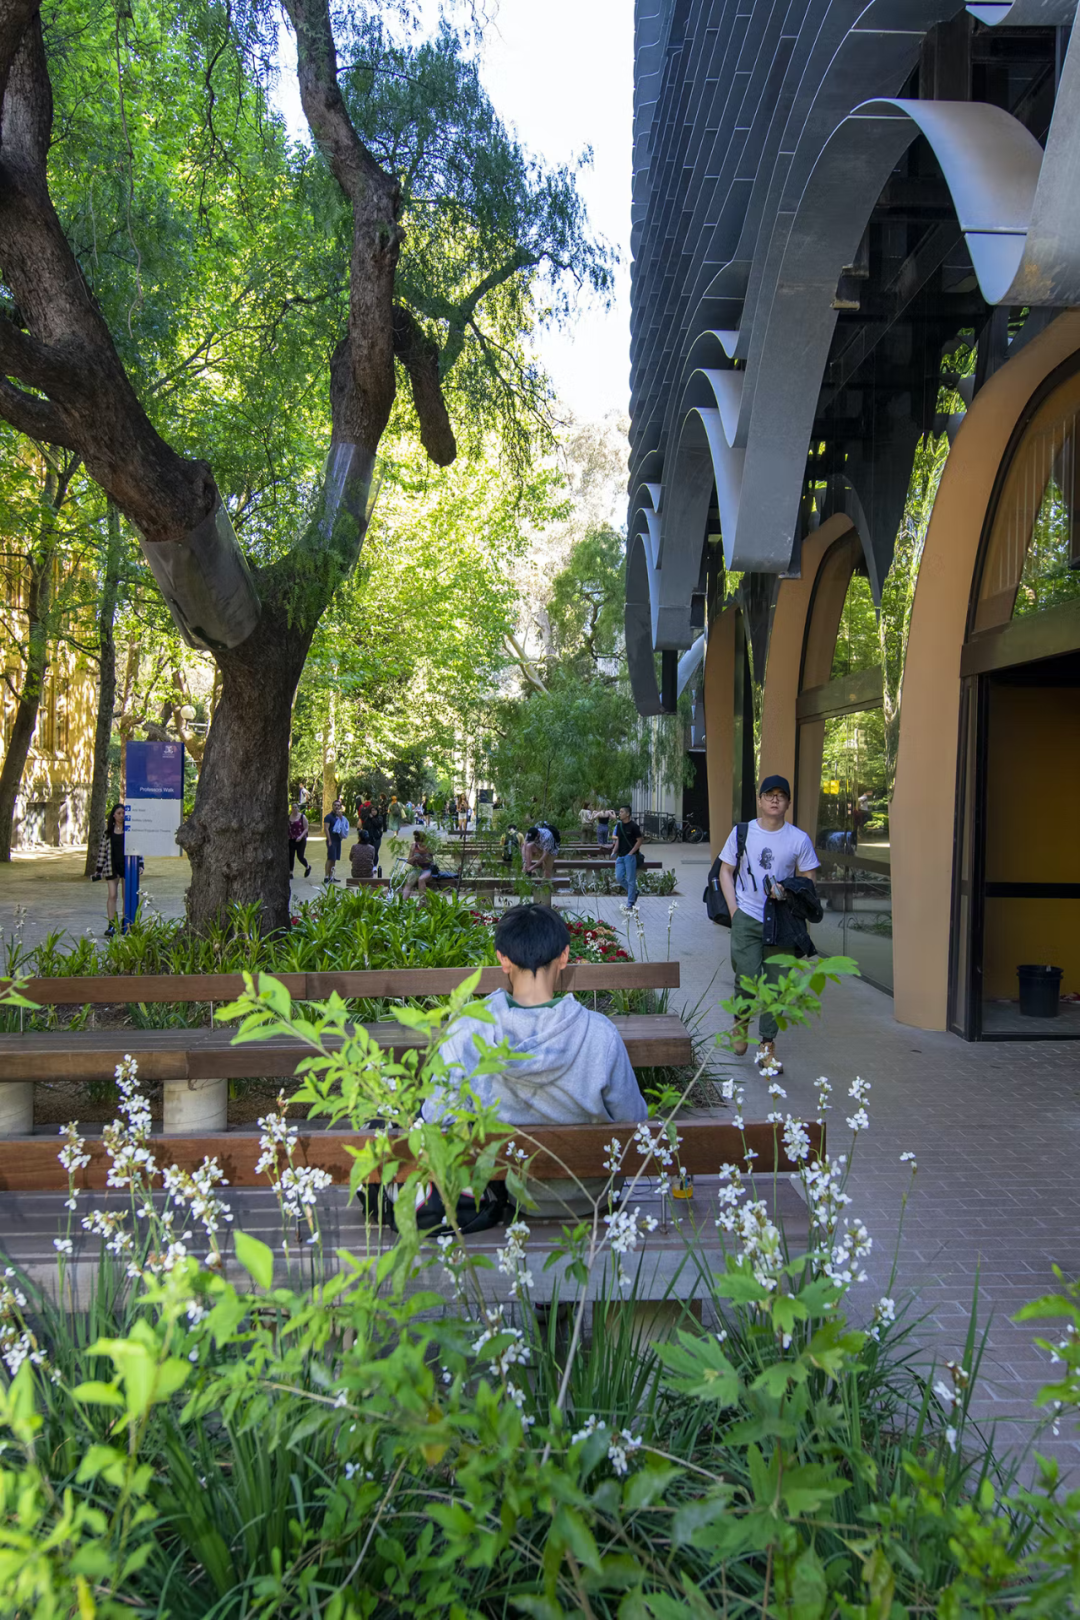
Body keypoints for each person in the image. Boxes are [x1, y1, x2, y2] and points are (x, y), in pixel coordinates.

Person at [423, 905, 648, 1216]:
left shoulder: (467, 1029)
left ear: (502, 958)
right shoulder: (600, 1034)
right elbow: (633, 1118)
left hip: (507, 1194)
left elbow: (437, 1113)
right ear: (565, 956)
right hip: (594, 1194)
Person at [718, 774, 820, 1072]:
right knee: (746, 976)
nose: (775, 799)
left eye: (781, 794)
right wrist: (734, 911)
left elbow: (809, 879)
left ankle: (766, 1046)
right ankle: (740, 1022)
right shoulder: (743, 832)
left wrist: (791, 891)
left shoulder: (798, 839)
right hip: (747, 917)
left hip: (782, 922)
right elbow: (726, 871)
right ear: (760, 800)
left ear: (788, 802)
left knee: (776, 986)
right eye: (769, 794)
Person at [91, 803, 127, 936]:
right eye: (119, 813)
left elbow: (137, 850)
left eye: (123, 813)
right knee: (112, 895)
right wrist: (98, 870)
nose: (121, 816)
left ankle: (125, 923)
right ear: (113, 815)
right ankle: (111, 924)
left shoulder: (130, 832)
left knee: (125, 896)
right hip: (111, 867)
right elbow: (102, 852)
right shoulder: (108, 834)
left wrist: (140, 865)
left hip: (127, 867)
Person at [609, 805, 643, 909]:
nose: (620, 814)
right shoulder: (619, 826)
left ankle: (630, 903)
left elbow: (640, 840)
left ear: (627, 814)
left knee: (630, 880)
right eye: (619, 812)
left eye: (622, 812)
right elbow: (619, 840)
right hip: (620, 856)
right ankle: (634, 892)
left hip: (630, 857)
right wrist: (614, 851)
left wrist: (631, 852)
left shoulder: (634, 826)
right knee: (619, 877)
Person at [402, 827, 437, 900]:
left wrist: (425, 855)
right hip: (417, 868)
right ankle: (402, 903)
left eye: (420, 842)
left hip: (427, 869)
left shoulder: (429, 846)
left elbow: (432, 860)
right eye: (417, 842)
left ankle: (422, 904)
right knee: (409, 882)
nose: (419, 844)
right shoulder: (413, 845)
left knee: (421, 879)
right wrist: (414, 858)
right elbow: (409, 861)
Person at [323, 799, 350, 884]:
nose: (337, 807)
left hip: (338, 840)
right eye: (335, 805)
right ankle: (326, 877)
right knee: (330, 858)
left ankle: (332, 876)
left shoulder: (340, 817)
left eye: (338, 805)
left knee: (334, 859)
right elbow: (326, 829)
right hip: (331, 840)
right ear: (332, 806)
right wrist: (329, 840)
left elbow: (344, 827)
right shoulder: (328, 817)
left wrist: (341, 818)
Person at [288, 803, 312, 878]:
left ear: (298, 808)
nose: (294, 809)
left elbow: (306, 828)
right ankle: (291, 872)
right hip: (291, 839)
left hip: (301, 839)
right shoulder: (288, 817)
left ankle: (307, 867)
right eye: (293, 807)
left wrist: (300, 837)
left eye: (295, 807)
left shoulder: (302, 817)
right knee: (291, 856)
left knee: (300, 856)